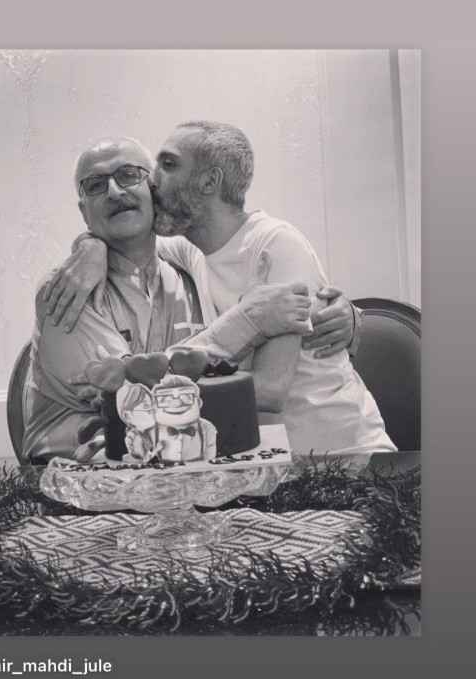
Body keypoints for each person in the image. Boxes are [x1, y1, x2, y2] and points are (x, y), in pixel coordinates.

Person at [43, 122, 395, 454]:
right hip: (268, 462)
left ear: (209, 181)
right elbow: (126, 237)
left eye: (167, 165)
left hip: (347, 454)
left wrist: (143, 389)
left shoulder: (275, 244)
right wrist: (90, 247)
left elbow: (270, 391)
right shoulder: (191, 252)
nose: (152, 181)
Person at [23, 137, 314, 461]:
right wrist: (249, 319)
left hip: (178, 464)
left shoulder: (187, 265)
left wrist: (348, 317)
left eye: (128, 175)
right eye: (95, 185)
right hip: (79, 475)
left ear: (155, 192)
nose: (114, 192)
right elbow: (129, 393)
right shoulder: (64, 290)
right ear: (84, 213)